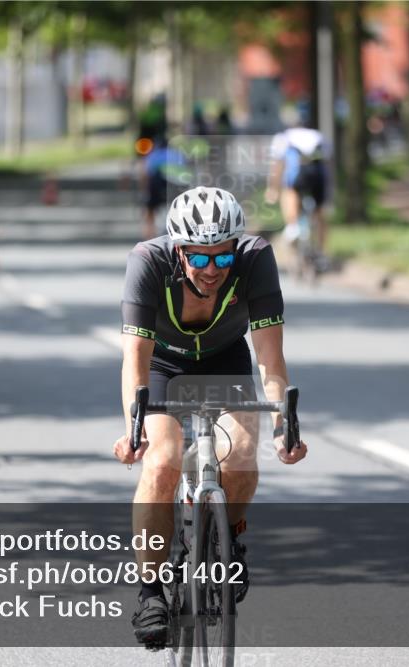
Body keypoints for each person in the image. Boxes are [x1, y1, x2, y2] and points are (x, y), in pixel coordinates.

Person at [113, 186, 308, 648]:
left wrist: (282, 427)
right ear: (179, 251)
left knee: (241, 456)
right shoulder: (148, 262)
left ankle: (229, 540)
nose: (212, 269)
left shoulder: (255, 259)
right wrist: (134, 430)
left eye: (222, 257)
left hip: (225, 360)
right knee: (162, 464)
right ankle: (151, 593)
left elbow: (270, 359)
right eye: (199, 258)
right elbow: (135, 360)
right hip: (164, 364)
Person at [264, 105, 331, 262]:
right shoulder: (318, 136)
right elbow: (328, 161)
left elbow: (277, 165)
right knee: (320, 213)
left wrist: (272, 189)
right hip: (319, 176)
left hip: (298, 176)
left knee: (289, 191)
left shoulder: (283, 137)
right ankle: (322, 252)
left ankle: (293, 225)